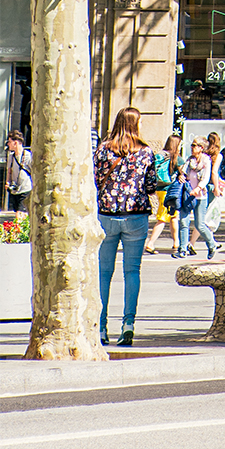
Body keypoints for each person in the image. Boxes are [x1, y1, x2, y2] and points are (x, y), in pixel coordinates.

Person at [92, 107, 163, 346]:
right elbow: (151, 186)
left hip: (107, 215)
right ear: (135, 124)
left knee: (103, 273)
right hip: (135, 215)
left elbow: (94, 178)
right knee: (132, 271)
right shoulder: (145, 152)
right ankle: (128, 324)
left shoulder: (103, 149)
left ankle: (100, 327)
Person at [177, 139, 217, 259]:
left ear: (201, 148)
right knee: (183, 222)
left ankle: (211, 244)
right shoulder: (190, 160)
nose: (192, 147)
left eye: (195, 145)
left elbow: (206, 178)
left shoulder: (206, 161)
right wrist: (181, 177)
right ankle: (183, 249)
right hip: (188, 195)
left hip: (200, 196)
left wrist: (198, 188)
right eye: (192, 145)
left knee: (200, 225)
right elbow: (183, 172)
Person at [146, 134, 182, 255]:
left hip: (160, 188)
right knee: (163, 218)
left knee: (173, 217)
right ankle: (150, 243)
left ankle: (177, 243)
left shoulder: (161, 154)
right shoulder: (176, 157)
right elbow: (184, 171)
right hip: (169, 190)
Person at [4, 129, 32, 216]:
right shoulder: (11, 157)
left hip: (25, 189)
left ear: (15, 143)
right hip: (15, 190)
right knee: (18, 214)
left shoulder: (27, 155)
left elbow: (32, 171)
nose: (8, 144)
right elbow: (9, 171)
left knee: (20, 214)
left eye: (9, 142)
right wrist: (8, 182)